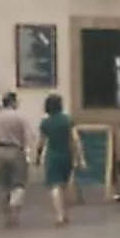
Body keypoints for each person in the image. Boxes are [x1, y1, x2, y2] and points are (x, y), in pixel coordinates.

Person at [38, 93, 85, 227]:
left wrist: (37, 156)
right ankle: (66, 213)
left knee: (55, 185)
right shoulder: (67, 120)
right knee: (65, 185)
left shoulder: (45, 122)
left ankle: (59, 215)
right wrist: (80, 157)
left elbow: (41, 142)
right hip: (66, 154)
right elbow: (75, 140)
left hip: (52, 155)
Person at [0, 92, 31, 227]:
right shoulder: (20, 117)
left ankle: (7, 217)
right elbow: (26, 137)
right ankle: (15, 210)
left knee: (3, 185)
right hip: (16, 150)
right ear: (13, 102)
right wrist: (27, 153)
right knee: (18, 184)